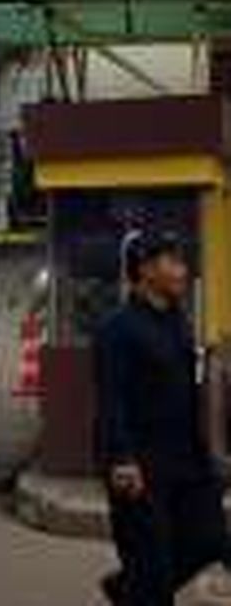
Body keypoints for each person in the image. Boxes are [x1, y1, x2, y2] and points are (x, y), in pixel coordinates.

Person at [95, 231, 230, 605]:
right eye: (173, 262)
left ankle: (128, 588)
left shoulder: (178, 324)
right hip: (140, 466)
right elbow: (111, 399)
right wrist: (121, 458)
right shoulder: (116, 330)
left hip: (186, 461)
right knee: (151, 567)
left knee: (213, 540)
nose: (183, 271)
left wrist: (210, 456)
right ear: (146, 269)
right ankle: (138, 588)